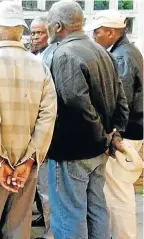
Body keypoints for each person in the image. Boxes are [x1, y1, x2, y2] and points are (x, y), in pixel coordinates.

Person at [0, 2, 58, 238]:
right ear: (21, 32)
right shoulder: (39, 65)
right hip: (24, 165)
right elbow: (48, 117)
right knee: (17, 230)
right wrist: (29, 161)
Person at [46, 1, 129, 238]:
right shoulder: (102, 50)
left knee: (69, 213)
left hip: (74, 150)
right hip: (97, 147)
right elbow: (120, 99)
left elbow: (76, 103)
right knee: (96, 208)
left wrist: (103, 136)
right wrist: (113, 134)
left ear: (58, 25)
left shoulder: (64, 54)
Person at [85, 10, 143, 239]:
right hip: (131, 130)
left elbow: (121, 101)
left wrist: (112, 133)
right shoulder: (126, 51)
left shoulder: (122, 57)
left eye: (97, 32)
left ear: (111, 32)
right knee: (118, 190)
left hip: (125, 133)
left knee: (118, 192)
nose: (94, 36)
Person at [29, 15, 57, 239]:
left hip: (47, 133)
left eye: (40, 32)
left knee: (48, 189)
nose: (35, 37)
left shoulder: (50, 56)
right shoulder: (35, 56)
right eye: (33, 32)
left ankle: (51, 233)